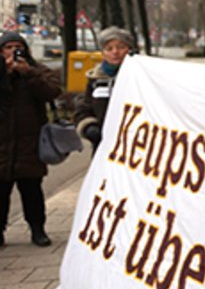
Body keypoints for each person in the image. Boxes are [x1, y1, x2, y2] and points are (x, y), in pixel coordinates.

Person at [0, 31, 63, 248]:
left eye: (18, 47)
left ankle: (37, 229)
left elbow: (53, 91)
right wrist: (5, 75)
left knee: (32, 190)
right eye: (8, 47)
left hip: (30, 142)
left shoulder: (36, 70)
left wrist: (28, 73)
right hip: (2, 143)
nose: (13, 52)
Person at [76, 27, 134, 152]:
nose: (115, 52)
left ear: (129, 49)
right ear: (103, 53)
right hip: (103, 146)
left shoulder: (140, 77)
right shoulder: (95, 79)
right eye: (109, 49)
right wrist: (89, 127)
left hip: (134, 145)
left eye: (120, 47)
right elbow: (84, 108)